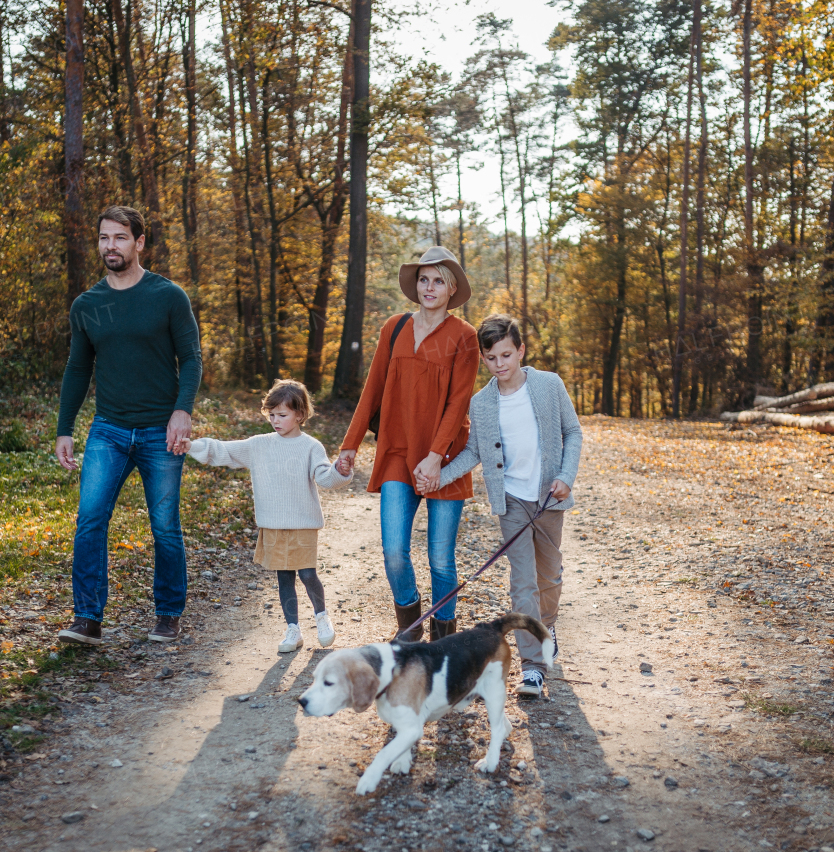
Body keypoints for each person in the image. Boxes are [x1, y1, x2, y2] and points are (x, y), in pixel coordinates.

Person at [54, 205, 202, 646]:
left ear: (139, 242)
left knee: (164, 526)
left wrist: (182, 409)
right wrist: (65, 428)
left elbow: (191, 358)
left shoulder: (168, 296)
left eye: (120, 237)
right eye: (104, 238)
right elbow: (78, 368)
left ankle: (168, 613)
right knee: (90, 519)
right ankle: (87, 619)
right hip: (109, 430)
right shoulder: (88, 304)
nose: (110, 246)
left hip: (161, 431)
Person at [429, 314, 582, 697]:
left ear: (520, 351)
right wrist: (439, 476)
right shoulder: (481, 403)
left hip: (549, 497)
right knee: (523, 582)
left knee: (549, 578)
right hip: (511, 499)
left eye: (507, 355)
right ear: (483, 359)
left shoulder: (548, 385)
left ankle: (546, 628)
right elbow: (473, 453)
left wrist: (566, 475)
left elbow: (572, 431)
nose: (501, 365)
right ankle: (532, 665)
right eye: (492, 358)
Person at [335, 246, 478, 641]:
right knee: (394, 551)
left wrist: (435, 459)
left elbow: (458, 401)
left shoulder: (464, 337)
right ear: (415, 285)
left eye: (438, 281)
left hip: (443, 459)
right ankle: (411, 627)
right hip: (397, 453)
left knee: (440, 560)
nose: (429, 287)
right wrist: (351, 444)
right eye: (423, 279)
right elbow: (373, 388)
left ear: (451, 290)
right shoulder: (394, 327)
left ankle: (445, 641)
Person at [187, 380, 350, 653]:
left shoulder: (311, 447)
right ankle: (293, 630)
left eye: (282, 415)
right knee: (284, 578)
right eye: (271, 414)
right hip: (273, 524)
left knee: (308, 574)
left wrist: (341, 470)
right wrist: (191, 446)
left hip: (303, 524)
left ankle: (322, 618)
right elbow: (223, 450)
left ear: (300, 414)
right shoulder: (258, 445)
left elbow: (325, 478)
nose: (275, 420)